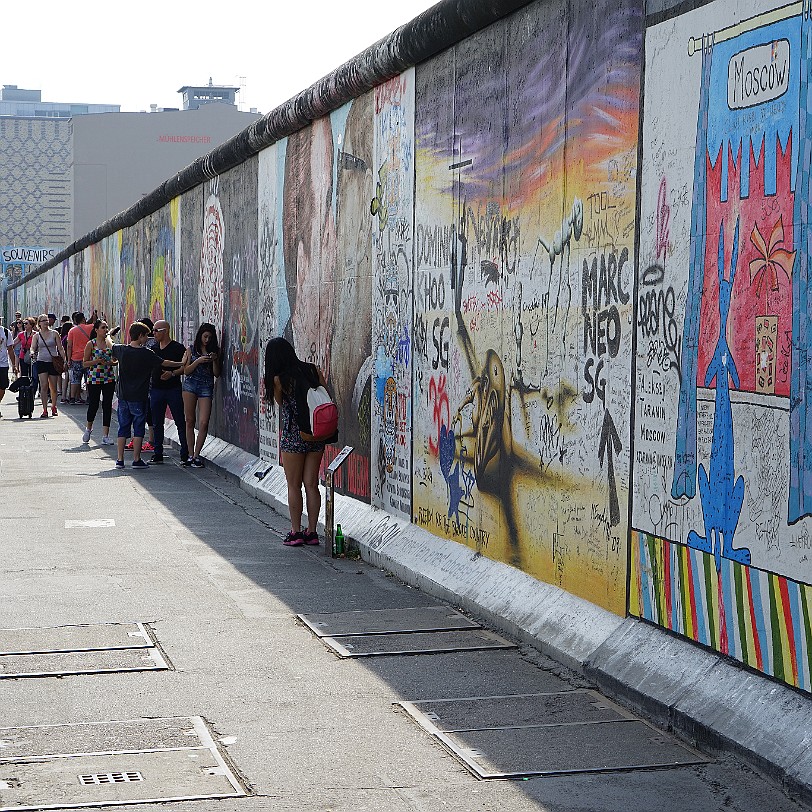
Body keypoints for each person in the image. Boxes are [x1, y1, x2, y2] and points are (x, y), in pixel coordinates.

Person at [263, 336, 329, 546]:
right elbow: (324, 395)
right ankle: (312, 532)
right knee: (311, 484)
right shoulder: (313, 370)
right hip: (316, 434)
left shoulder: (279, 379)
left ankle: (295, 531)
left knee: (293, 485)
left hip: (293, 435)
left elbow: (282, 404)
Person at [111, 322, 183, 470]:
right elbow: (165, 363)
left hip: (123, 396)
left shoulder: (121, 350)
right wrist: (181, 362)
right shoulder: (146, 353)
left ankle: (120, 459)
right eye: (146, 336)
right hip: (139, 397)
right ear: (140, 336)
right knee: (138, 428)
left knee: (123, 427)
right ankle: (136, 459)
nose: (147, 339)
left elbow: (109, 343)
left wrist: (109, 334)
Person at [147, 319, 189, 465]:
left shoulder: (177, 348)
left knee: (179, 420)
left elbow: (186, 367)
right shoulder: (153, 348)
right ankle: (158, 452)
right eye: (153, 330)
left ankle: (185, 452)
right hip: (156, 389)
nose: (154, 333)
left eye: (156, 330)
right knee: (157, 422)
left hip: (173, 389)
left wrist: (173, 374)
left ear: (165, 331)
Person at [182, 323, 221, 468]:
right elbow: (186, 371)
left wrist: (215, 359)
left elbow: (217, 373)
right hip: (190, 384)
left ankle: (197, 455)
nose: (207, 340)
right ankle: (190, 454)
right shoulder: (191, 349)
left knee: (204, 422)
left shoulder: (215, 351)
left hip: (206, 386)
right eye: (205, 336)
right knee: (190, 420)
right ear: (200, 336)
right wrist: (198, 361)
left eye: (210, 337)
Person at [81, 320, 117, 445]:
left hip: (109, 378)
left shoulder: (110, 343)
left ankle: (105, 435)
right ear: (96, 330)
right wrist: (97, 361)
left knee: (107, 405)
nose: (105, 330)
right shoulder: (91, 344)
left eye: (106, 327)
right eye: (103, 327)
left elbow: (116, 360)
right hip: (94, 378)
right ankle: (88, 428)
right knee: (94, 404)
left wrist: (110, 363)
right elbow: (84, 363)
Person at [30, 313, 66, 418]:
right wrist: (32, 352)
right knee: (44, 386)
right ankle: (45, 409)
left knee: (53, 388)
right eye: (43, 321)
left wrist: (64, 359)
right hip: (41, 361)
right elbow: (33, 347)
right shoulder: (36, 335)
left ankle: (54, 406)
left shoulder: (54, 333)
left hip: (53, 362)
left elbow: (60, 348)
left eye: (47, 320)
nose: (46, 322)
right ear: (39, 323)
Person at [66, 312, 93, 404]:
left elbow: (69, 346)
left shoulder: (72, 331)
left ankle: (73, 398)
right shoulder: (91, 327)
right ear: (83, 319)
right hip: (88, 358)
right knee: (88, 378)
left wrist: (69, 359)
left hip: (76, 358)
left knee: (75, 379)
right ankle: (89, 397)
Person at [12, 318, 36, 382]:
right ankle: (23, 389)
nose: (24, 325)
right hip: (23, 356)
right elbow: (13, 343)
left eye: (26, 324)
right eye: (24, 324)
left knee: (33, 374)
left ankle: (32, 389)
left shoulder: (36, 335)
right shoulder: (21, 334)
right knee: (23, 374)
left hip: (32, 357)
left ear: (31, 325)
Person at [0, 319, 13, 417]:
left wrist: (14, 365)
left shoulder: (5, 332)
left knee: (2, 387)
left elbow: (10, 349)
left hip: (3, 364)